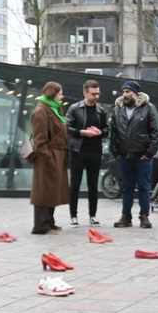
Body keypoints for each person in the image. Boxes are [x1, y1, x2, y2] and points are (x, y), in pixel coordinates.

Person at [109, 80, 158, 228]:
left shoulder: (148, 108)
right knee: (127, 186)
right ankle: (126, 216)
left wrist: (148, 154)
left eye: (128, 92)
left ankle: (144, 216)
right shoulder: (117, 109)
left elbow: (157, 133)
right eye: (123, 92)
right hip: (124, 156)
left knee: (144, 186)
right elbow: (112, 132)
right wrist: (116, 153)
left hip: (142, 156)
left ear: (136, 94)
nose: (125, 95)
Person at [66, 79, 108, 227]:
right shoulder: (74, 109)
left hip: (95, 151)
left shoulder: (101, 110)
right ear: (85, 93)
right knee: (75, 184)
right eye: (93, 94)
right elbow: (67, 128)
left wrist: (100, 132)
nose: (96, 97)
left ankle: (93, 215)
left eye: (98, 93)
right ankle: (73, 216)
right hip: (77, 151)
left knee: (93, 184)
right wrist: (82, 132)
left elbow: (107, 130)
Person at [29, 81, 69, 234]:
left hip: (57, 153)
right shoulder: (41, 111)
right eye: (59, 93)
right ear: (52, 93)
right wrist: (48, 159)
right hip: (47, 155)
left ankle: (50, 222)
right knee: (43, 191)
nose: (62, 96)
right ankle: (41, 225)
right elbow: (40, 140)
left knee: (52, 190)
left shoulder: (54, 108)